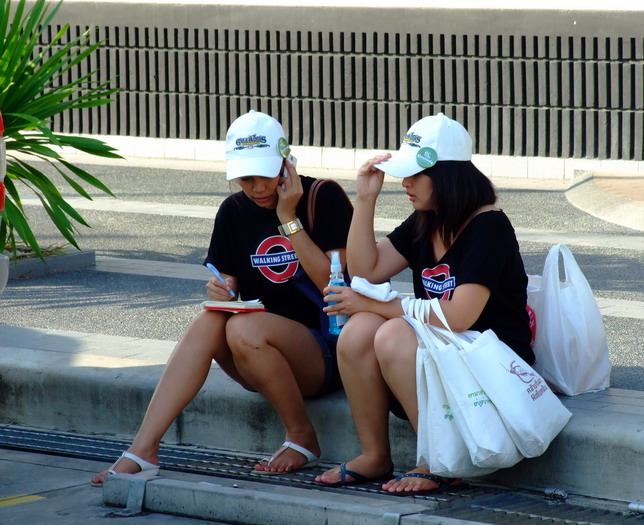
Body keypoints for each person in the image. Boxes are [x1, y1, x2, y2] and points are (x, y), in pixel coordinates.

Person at [91, 110, 353, 486]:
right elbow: (227, 280)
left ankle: (301, 436)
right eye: (245, 178)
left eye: (265, 173)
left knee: (244, 327)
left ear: (286, 160)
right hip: (257, 356)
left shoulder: (321, 197)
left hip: (326, 353)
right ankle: (143, 449)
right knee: (211, 318)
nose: (258, 187)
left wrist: (288, 218)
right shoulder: (233, 211)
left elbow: (335, 286)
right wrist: (222, 289)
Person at [314, 113, 535, 495]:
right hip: (446, 357)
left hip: (491, 368)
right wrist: (365, 199)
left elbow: (460, 316)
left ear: (449, 175)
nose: (407, 183)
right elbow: (366, 272)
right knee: (358, 332)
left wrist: (378, 306)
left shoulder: (489, 226)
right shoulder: (425, 220)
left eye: (416, 174)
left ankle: (441, 461)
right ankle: (374, 455)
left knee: (391, 331)